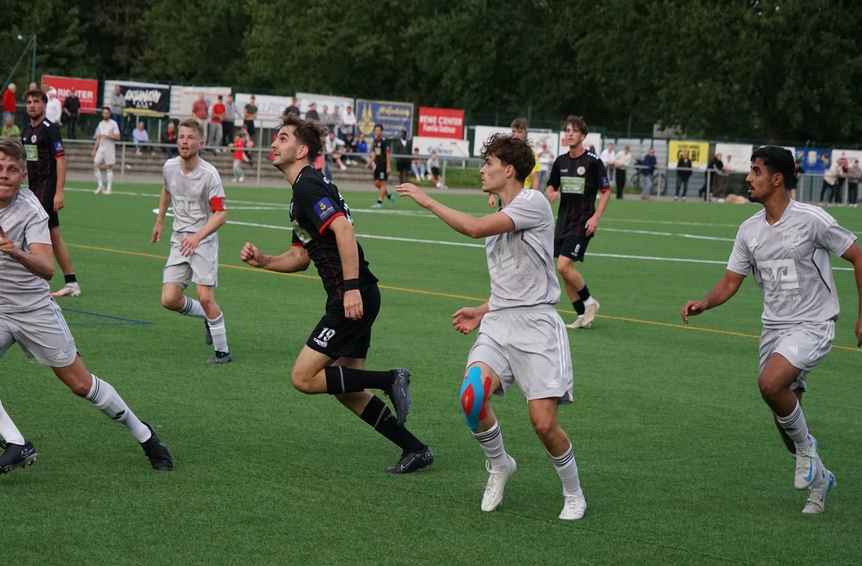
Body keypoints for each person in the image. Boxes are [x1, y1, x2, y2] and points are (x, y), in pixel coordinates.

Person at [0, 139, 173, 475]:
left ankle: (145, 434)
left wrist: (15, 251)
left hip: (33, 310)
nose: (4, 175)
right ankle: (16, 443)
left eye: (13, 170)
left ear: (23, 176)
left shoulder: (31, 210)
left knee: (81, 385)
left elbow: (47, 268)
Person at [396, 135, 586, 519]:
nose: (482, 170)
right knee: (472, 397)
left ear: (509, 169)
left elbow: (473, 228)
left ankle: (573, 492)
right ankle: (500, 465)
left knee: (543, 424)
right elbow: (514, 280)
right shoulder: (503, 210)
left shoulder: (532, 201)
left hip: (537, 328)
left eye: (488, 163)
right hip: (499, 323)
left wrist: (428, 200)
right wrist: (484, 310)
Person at [682, 146, 862, 514]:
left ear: (777, 179)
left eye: (756, 171)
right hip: (774, 328)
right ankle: (821, 478)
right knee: (785, 420)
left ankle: (808, 450)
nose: (748, 178)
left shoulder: (812, 219)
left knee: (770, 385)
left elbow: (861, 260)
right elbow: (731, 280)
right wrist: (704, 302)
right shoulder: (749, 230)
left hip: (813, 323)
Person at [239, 114, 432, 473]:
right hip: (356, 293)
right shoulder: (302, 193)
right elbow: (300, 258)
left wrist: (350, 289)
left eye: (283, 138)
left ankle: (390, 378)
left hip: (352, 295)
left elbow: (343, 230)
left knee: (303, 377)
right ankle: (415, 449)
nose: (274, 143)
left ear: (302, 150)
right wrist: (264, 261)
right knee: (345, 388)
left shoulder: (308, 186)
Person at [151, 119, 232, 364]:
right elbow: (167, 190)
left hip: (203, 240)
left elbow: (221, 214)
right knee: (169, 299)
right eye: (181, 137)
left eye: (190, 137)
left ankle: (222, 352)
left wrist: (197, 238)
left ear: (201, 143)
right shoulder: (169, 167)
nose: (184, 142)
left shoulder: (209, 174)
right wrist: (159, 222)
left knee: (206, 297)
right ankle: (209, 316)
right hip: (179, 239)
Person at [545, 115, 610, 329]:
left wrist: (596, 217)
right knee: (564, 270)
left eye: (574, 131)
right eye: (567, 130)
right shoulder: (561, 161)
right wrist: (550, 193)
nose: (570, 134)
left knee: (563, 266)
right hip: (563, 222)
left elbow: (606, 191)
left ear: (583, 136)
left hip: (583, 222)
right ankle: (582, 316)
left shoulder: (593, 162)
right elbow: (551, 186)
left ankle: (590, 303)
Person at [21, 88, 82, 298]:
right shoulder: (26, 131)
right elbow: (28, 160)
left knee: (32, 230)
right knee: (53, 234)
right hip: (34, 189)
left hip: (47, 189)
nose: (32, 105)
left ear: (44, 105)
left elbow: (61, 159)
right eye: (29, 102)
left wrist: (59, 192)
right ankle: (71, 282)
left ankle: (34, 280)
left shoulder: (50, 129)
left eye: (36, 101)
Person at [488, 119, 539, 209]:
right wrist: (491, 194)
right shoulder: (505, 152)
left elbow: (534, 178)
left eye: (520, 132)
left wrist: (534, 199)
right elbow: (496, 173)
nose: (516, 135)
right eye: (514, 131)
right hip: (505, 195)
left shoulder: (530, 153)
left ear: (525, 134)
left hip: (522, 196)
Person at [92, 107, 120, 194]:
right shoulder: (100, 124)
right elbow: (98, 137)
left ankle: (109, 188)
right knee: (95, 166)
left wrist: (108, 136)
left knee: (108, 167)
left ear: (109, 114)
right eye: (104, 113)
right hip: (101, 147)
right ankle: (100, 185)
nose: (105, 115)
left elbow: (118, 137)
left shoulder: (113, 124)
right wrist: (94, 149)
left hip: (109, 148)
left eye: (107, 113)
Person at [366, 124, 393, 208]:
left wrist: (388, 166)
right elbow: (375, 154)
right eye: (376, 130)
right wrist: (369, 163)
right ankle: (390, 196)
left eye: (379, 130)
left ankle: (379, 203)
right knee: (377, 183)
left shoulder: (384, 141)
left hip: (383, 164)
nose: (377, 132)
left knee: (382, 183)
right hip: (377, 164)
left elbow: (388, 154)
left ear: (381, 131)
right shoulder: (375, 141)